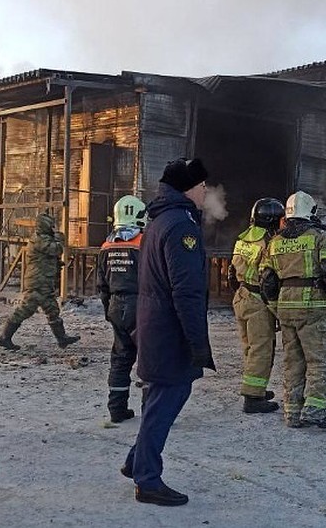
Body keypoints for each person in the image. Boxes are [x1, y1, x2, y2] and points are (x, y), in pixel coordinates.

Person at [121, 158, 215, 507]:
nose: (206, 190)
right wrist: (197, 342)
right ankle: (147, 479)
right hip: (169, 331)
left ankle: (135, 462)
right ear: (189, 188)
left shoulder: (161, 220)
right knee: (167, 400)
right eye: (202, 185)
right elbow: (187, 291)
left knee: (155, 400)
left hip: (153, 326)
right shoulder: (182, 227)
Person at [260, 191, 326, 429]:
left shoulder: (275, 241)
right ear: (312, 211)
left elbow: (267, 281)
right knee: (321, 360)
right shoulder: (319, 237)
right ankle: (315, 410)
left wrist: (275, 308)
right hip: (315, 308)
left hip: (287, 307)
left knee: (294, 362)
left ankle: (292, 412)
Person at [228, 197, 285, 414]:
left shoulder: (243, 239)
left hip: (241, 296)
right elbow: (268, 279)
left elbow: (232, 273)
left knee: (249, 347)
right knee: (262, 349)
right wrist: (274, 307)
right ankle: (253, 398)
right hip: (258, 299)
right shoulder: (269, 243)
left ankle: (256, 388)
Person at [0, 212, 79, 350]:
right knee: (25, 310)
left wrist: (56, 265)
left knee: (52, 309)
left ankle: (62, 339)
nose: (53, 228)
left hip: (43, 281)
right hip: (38, 282)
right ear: (45, 226)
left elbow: (47, 259)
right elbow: (56, 249)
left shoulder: (44, 238)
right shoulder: (39, 239)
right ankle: (4, 337)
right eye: (51, 226)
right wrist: (60, 240)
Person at [98, 195, 147, 423]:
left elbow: (102, 286)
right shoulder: (143, 243)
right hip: (141, 306)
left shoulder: (106, 246)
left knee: (120, 358)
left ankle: (117, 410)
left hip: (117, 306)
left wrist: (110, 310)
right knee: (149, 359)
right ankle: (151, 410)